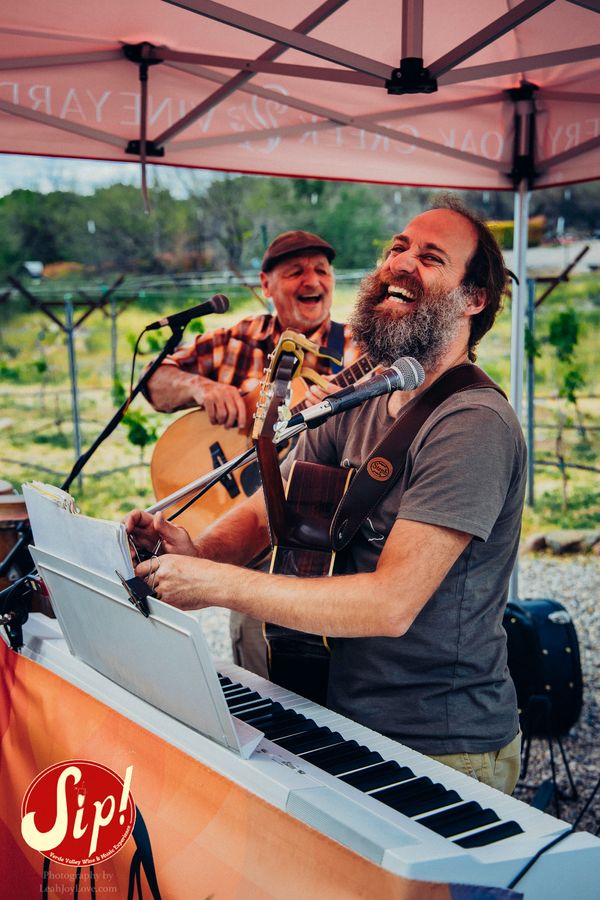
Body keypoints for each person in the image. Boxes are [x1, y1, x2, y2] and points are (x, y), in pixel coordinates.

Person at [127, 196, 526, 795]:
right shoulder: (366, 392)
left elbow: (391, 603)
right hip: (337, 714)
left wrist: (213, 585)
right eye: (397, 248)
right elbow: (272, 506)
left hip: (440, 748)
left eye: (431, 257)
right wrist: (199, 552)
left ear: (474, 299)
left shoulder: (472, 422)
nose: (401, 262)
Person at [144, 230, 362, 677]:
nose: (312, 281)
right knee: (257, 667)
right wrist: (199, 387)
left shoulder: (358, 349)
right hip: (245, 537)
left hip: (320, 543)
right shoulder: (240, 338)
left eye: (322, 270)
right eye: (296, 271)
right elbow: (154, 381)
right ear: (266, 284)